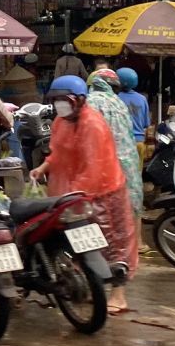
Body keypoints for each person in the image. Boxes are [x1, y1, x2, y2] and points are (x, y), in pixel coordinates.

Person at [32, 75, 136, 313]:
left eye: (64, 99)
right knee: (77, 243)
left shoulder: (92, 124)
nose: (60, 104)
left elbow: (94, 166)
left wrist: (72, 195)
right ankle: (89, 287)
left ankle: (118, 295)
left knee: (112, 244)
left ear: (79, 100)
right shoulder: (61, 122)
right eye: (56, 99)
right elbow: (58, 153)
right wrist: (44, 167)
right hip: (72, 194)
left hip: (103, 194)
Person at [87, 68, 143, 224]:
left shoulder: (89, 102)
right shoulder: (119, 102)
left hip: (106, 162)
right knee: (128, 204)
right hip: (129, 159)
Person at [117, 66, 151, 140]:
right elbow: (146, 124)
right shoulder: (142, 98)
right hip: (140, 139)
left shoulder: (116, 98)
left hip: (123, 140)